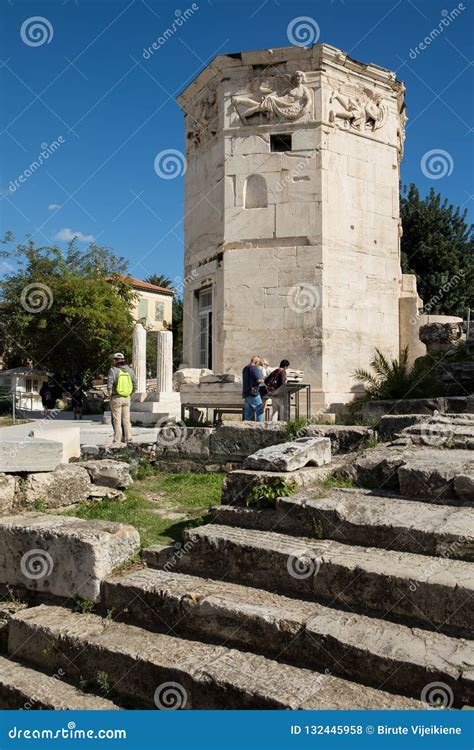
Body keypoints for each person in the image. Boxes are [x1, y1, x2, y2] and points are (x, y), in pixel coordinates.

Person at [107, 352, 137, 445]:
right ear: (123, 360)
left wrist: (110, 397)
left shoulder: (113, 370)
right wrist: (129, 394)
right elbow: (135, 386)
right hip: (127, 398)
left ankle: (117, 440)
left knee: (117, 420)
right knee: (126, 419)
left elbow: (109, 386)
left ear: (114, 360)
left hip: (116, 398)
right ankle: (129, 438)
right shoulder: (130, 371)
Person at [242, 355, 264, 422]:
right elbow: (258, 380)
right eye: (258, 362)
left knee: (248, 414)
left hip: (246, 393)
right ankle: (260, 427)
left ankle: (247, 428)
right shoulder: (254, 368)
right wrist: (263, 380)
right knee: (259, 410)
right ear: (256, 361)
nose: (258, 363)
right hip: (253, 393)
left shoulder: (245, 368)